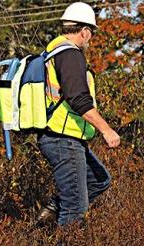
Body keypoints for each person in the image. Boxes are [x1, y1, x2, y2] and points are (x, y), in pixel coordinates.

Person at [35, 2, 120, 227]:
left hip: (66, 137)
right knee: (75, 208)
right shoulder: (70, 55)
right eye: (90, 33)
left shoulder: (54, 51)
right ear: (84, 31)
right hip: (62, 138)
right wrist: (106, 130)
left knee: (100, 180)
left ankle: (53, 208)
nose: (89, 39)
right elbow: (78, 100)